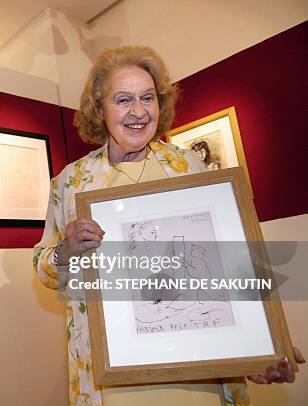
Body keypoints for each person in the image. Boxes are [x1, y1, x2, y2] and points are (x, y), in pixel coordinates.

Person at [32, 46, 304, 406]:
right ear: (99, 109)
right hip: (111, 375)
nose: (138, 111)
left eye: (148, 97)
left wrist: (257, 343)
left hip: (198, 370)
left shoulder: (190, 165)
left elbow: (229, 261)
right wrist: (66, 251)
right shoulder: (71, 183)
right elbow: (45, 269)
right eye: (123, 99)